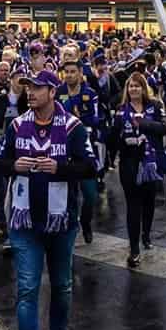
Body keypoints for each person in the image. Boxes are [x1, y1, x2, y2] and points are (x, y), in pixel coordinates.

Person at [2, 69, 95, 330]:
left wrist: (61, 168)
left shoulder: (73, 128)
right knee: (26, 288)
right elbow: (0, 161)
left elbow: (90, 167)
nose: (31, 93)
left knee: (61, 286)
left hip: (61, 221)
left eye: (38, 88)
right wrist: (14, 166)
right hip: (25, 220)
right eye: (28, 88)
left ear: (53, 92)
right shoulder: (16, 125)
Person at [107, 71, 166, 267]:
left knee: (149, 201)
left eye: (137, 85)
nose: (134, 89)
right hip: (129, 162)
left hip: (151, 161)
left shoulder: (156, 105)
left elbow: (164, 127)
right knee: (133, 204)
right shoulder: (120, 109)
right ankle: (134, 248)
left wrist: (145, 124)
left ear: (144, 88)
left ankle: (146, 234)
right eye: (130, 86)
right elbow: (113, 138)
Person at [57, 59, 101, 244]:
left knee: (90, 194)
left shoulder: (90, 94)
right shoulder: (58, 93)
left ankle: (86, 222)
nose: (69, 75)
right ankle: (71, 226)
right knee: (69, 193)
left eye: (73, 71)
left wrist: (79, 118)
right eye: (66, 72)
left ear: (80, 72)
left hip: (86, 148)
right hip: (64, 149)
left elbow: (97, 119)